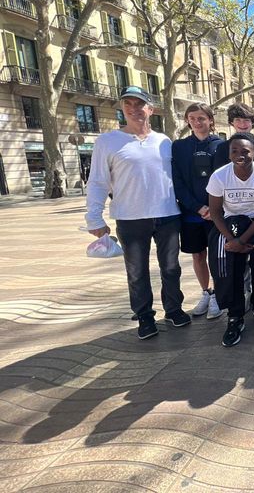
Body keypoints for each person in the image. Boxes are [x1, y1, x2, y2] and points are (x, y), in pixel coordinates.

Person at [85, 86, 189, 340]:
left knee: (171, 268)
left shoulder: (164, 141)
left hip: (167, 215)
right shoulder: (107, 141)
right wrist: (94, 218)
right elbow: (98, 181)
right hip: (130, 218)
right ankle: (144, 316)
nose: (134, 109)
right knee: (137, 271)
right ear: (122, 108)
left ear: (150, 109)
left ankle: (173, 309)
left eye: (139, 104)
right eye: (128, 103)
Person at [206, 133, 254, 347]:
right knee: (230, 269)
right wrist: (232, 240)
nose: (239, 155)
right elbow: (215, 212)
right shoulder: (219, 176)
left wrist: (244, 239)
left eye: (245, 151)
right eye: (234, 151)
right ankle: (235, 316)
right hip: (229, 226)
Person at [172, 103, 223, 320]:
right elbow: (177, 181)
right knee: (198, 255)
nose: (197, 122)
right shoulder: (179, 147)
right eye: (192, 118)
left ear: (210, 120)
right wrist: (197, 207)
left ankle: (219, 297)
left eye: (201, 118)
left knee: (217, 256)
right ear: (187, 121)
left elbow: (226, 179)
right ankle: (206, 292)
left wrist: (214, 208)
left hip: (218, 213)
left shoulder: (222, 145)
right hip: (191, 213)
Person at [212, 102, 254, 171]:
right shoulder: (222, 148)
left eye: (246, 120)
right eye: (238, 120)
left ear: (252, 123)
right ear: (232, 122)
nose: (242, 124)